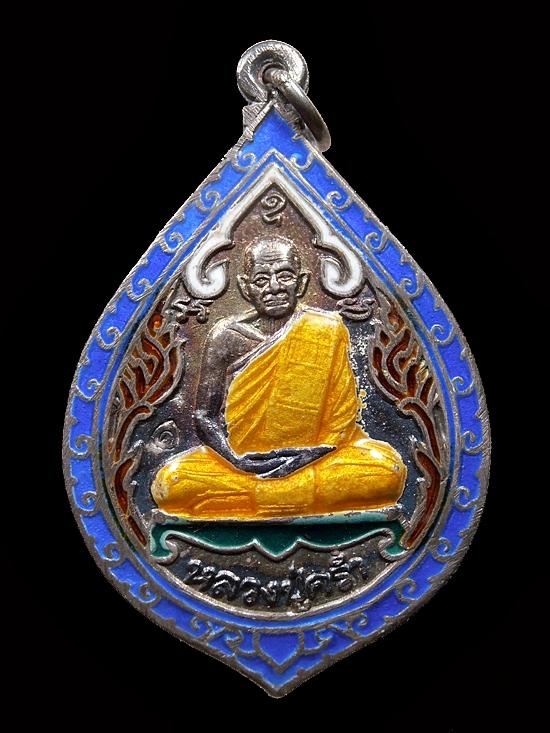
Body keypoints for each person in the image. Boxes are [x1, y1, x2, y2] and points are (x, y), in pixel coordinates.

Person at [151, 236, 406, 519]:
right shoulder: (226, 337)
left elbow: (342, 421)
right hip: (243, 464)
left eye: (284, 276)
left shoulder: (327, 329)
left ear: (302, 283)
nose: (274, 287)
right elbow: (204, 416)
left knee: (387, 469)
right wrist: (236, 461)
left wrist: (310, 455)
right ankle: (289, 496)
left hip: (317, 459)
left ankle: (254, 498)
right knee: (172, 481)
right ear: (246, 288)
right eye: (261, 280)